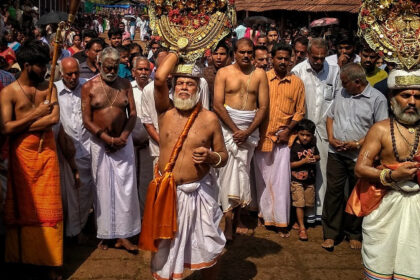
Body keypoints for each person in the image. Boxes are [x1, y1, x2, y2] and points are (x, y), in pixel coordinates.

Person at [139, 51, 228, 280]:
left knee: (209, 246)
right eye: (180, 83)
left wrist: (210, 157)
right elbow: (159, 78)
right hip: (168, 193)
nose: (184, 88)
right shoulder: (165, 112)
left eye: (190, 84)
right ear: (173, 87)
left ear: (198, 89)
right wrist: (178, 49)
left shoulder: (209, 119)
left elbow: (223, 156)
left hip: (199, 193)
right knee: (164, 249)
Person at [348, 68, 420, 279]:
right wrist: (391, 176)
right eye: (405, 95)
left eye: (418, 96)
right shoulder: (380, 129)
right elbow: (360, 168)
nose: (412, 102)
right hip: (385, 206)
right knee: (379, 264)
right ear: (392, 98)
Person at [1, 40, 62, 278]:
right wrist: (36, 115)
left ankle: (51, 262)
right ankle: (23, 258)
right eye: (40, 66)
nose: (46, 70)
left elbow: (54, 119)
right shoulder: (9, 93)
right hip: (21, 157)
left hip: (47, 153)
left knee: (50, 208)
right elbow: (5, 128)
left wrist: (24, 124)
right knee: (22, 207)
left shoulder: (49, 88)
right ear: (26, 65)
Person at [322, 63, 388, 250]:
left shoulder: (377, 99)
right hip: (336, 153)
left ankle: (354, 233)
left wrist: (358, 143)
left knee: (357, 194)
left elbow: (380, 129)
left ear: (357, 82)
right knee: (333, 193)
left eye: (345, 82)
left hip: (360, 156)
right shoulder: (341, 93)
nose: (342, 86)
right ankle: (330, 234)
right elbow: (330, 117)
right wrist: (332, 137)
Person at [81, 47, 140, 251]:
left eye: (115, 67)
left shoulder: (125, 85)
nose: (112, 71)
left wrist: (123, 136)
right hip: (100, 144)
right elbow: (87, 120)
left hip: (123, 143)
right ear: (99, 65)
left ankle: (124, 235)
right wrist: (106, 138)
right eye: (107, 67)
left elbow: (132, 114)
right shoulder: (89, 86)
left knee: (125, 189)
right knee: (103, 189)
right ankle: (106, 234)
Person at [213, 38, 269, 240]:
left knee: (242, 173)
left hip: (249, 132)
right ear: (234, 53)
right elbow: (217, 104)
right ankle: (228, 222)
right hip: (228, 131)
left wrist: (247, 131)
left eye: (249, 52)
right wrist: (236, 129)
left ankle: (237, 219)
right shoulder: (223, 73)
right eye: (242, 52)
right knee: (227, 176)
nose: (246, 55)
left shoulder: (259, 74)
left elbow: (263, 107)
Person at [254, 43, 305, 237]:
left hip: (285, 139)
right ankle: (264, 215)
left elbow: (300, 112)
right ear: (272, 58)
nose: (283, 62)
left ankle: (281, 221)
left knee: (281, 183)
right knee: (263, 181)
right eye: (279, 58)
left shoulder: (297, 83)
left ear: (291, 59)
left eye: (286, 58)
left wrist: (288, 130)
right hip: (263, 137)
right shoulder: (262, 79)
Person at [291, 38, 341, 224]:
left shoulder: (335, 72)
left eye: (322, 58)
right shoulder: (298, 71)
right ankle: (303, 215)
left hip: (327, 130)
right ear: (308, 54)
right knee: (302, 173)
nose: (319, 62)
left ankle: (321, 213)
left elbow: (338, 102)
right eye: (315, 58)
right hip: (303, 130)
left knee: (324, 171)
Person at [55, 57, 94, 241]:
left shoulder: (87, 86)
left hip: (88, 147)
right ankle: (72, 231)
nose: (73, 77)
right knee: (68, 193)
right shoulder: (53, 90)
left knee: (86, 190)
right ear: (61, 73)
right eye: (69, 74)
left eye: (76, 73)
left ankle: (81, 227)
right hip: (64, 150)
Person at [290, 119, 320, 241]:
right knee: (299, 203)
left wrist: (314, 158)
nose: (305, 138)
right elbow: (291, 164)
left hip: (310, 180)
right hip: (297, 180)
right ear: (297, 133)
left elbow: (318, 155)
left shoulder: (312, 144)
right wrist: (304, 161)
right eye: (302, 134)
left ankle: (296, 221)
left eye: (308, 135)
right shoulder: (295, 146)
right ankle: (302, 228)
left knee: (308, 203)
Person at [130, 56, 153, 215]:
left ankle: (146, 219)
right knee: (129, 183)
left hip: (150, 144)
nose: (143, 72)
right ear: (133, 72)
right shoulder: (127, 89)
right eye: (140, 69)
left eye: (146, 69)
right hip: (128, 145)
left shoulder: (155, 89)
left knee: (147, 182)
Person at [203, 41, 230, 107]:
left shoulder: (233, 72)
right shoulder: (205, 73)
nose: (218, 57)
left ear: (228, 55)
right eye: (215, 54)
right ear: (211, 55)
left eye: (222, 54)